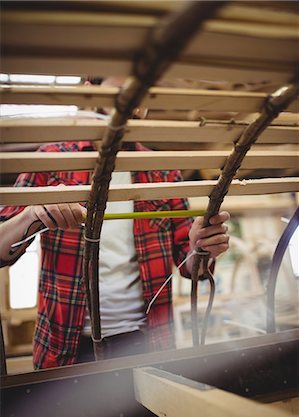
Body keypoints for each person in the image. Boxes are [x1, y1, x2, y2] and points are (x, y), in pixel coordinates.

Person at [0, 78, 230, 370]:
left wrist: (202, 247)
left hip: (146, 344)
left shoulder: (162, 171)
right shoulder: (51, 160)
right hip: (66, 346)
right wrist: (29, 216)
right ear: (89, 87)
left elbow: (191, 269)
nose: (132, 101)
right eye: (120, 89)